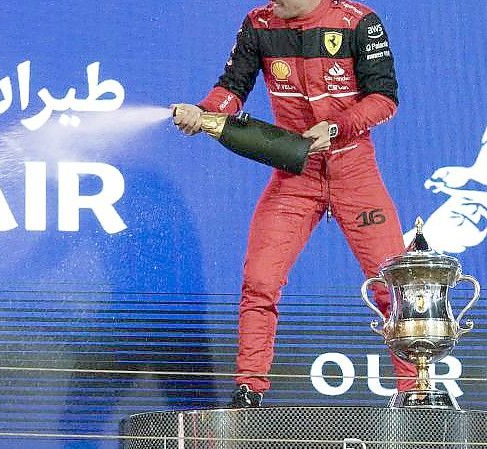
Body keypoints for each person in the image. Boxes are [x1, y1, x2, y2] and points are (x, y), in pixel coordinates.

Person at [172, 0, 416, 407]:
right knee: (260, 282)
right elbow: (233, 88)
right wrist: (204, 111)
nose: (273, 3)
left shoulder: (357, 21)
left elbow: (384, 99)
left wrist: (338, 126)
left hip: (354, 171)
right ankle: (249, 389)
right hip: (293, 175)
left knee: (394, 287)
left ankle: (415, 391)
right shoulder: (259, 23)